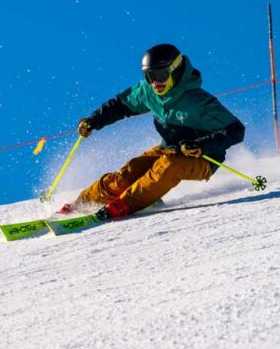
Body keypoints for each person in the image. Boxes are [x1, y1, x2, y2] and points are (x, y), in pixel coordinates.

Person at [59, 43, 245, 220]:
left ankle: (126, 204)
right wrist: (94, 120)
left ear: (175, 70)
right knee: (129, 173)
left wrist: (202, 146)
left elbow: (236, 130)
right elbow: (120, 105)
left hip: (204, 158)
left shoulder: (197, 101)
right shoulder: (149, 92)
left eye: (161, 74)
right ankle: (83, 203)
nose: (155, 82)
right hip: (169, 148)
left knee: (169, 166)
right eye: (149, 76)